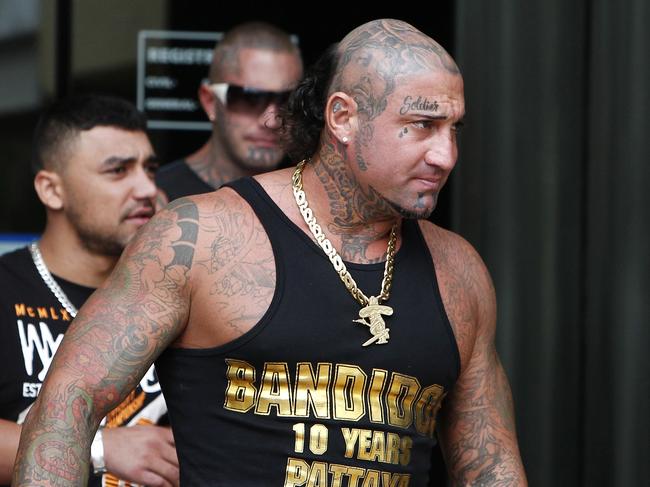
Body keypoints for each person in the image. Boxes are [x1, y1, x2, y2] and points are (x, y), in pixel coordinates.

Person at [13, 19, 527, 486]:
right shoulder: (202, 237)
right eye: (421, 125)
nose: (445, 155)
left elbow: (491, 467)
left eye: (453, 129)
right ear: (343, 118)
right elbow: (67, 401)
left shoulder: (458, 271)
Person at [2, 94, 178, 487]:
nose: (147, 188)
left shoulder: (171, 293)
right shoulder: (4, 289)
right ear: (51, 190)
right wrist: (100, 447)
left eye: (150, 169)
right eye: (118, 171)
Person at [155, 21, 303, 203]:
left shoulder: (309, 198)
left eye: (288, 100)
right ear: (210, 101)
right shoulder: (155, 200)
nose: (272, 121)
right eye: (250, 98)